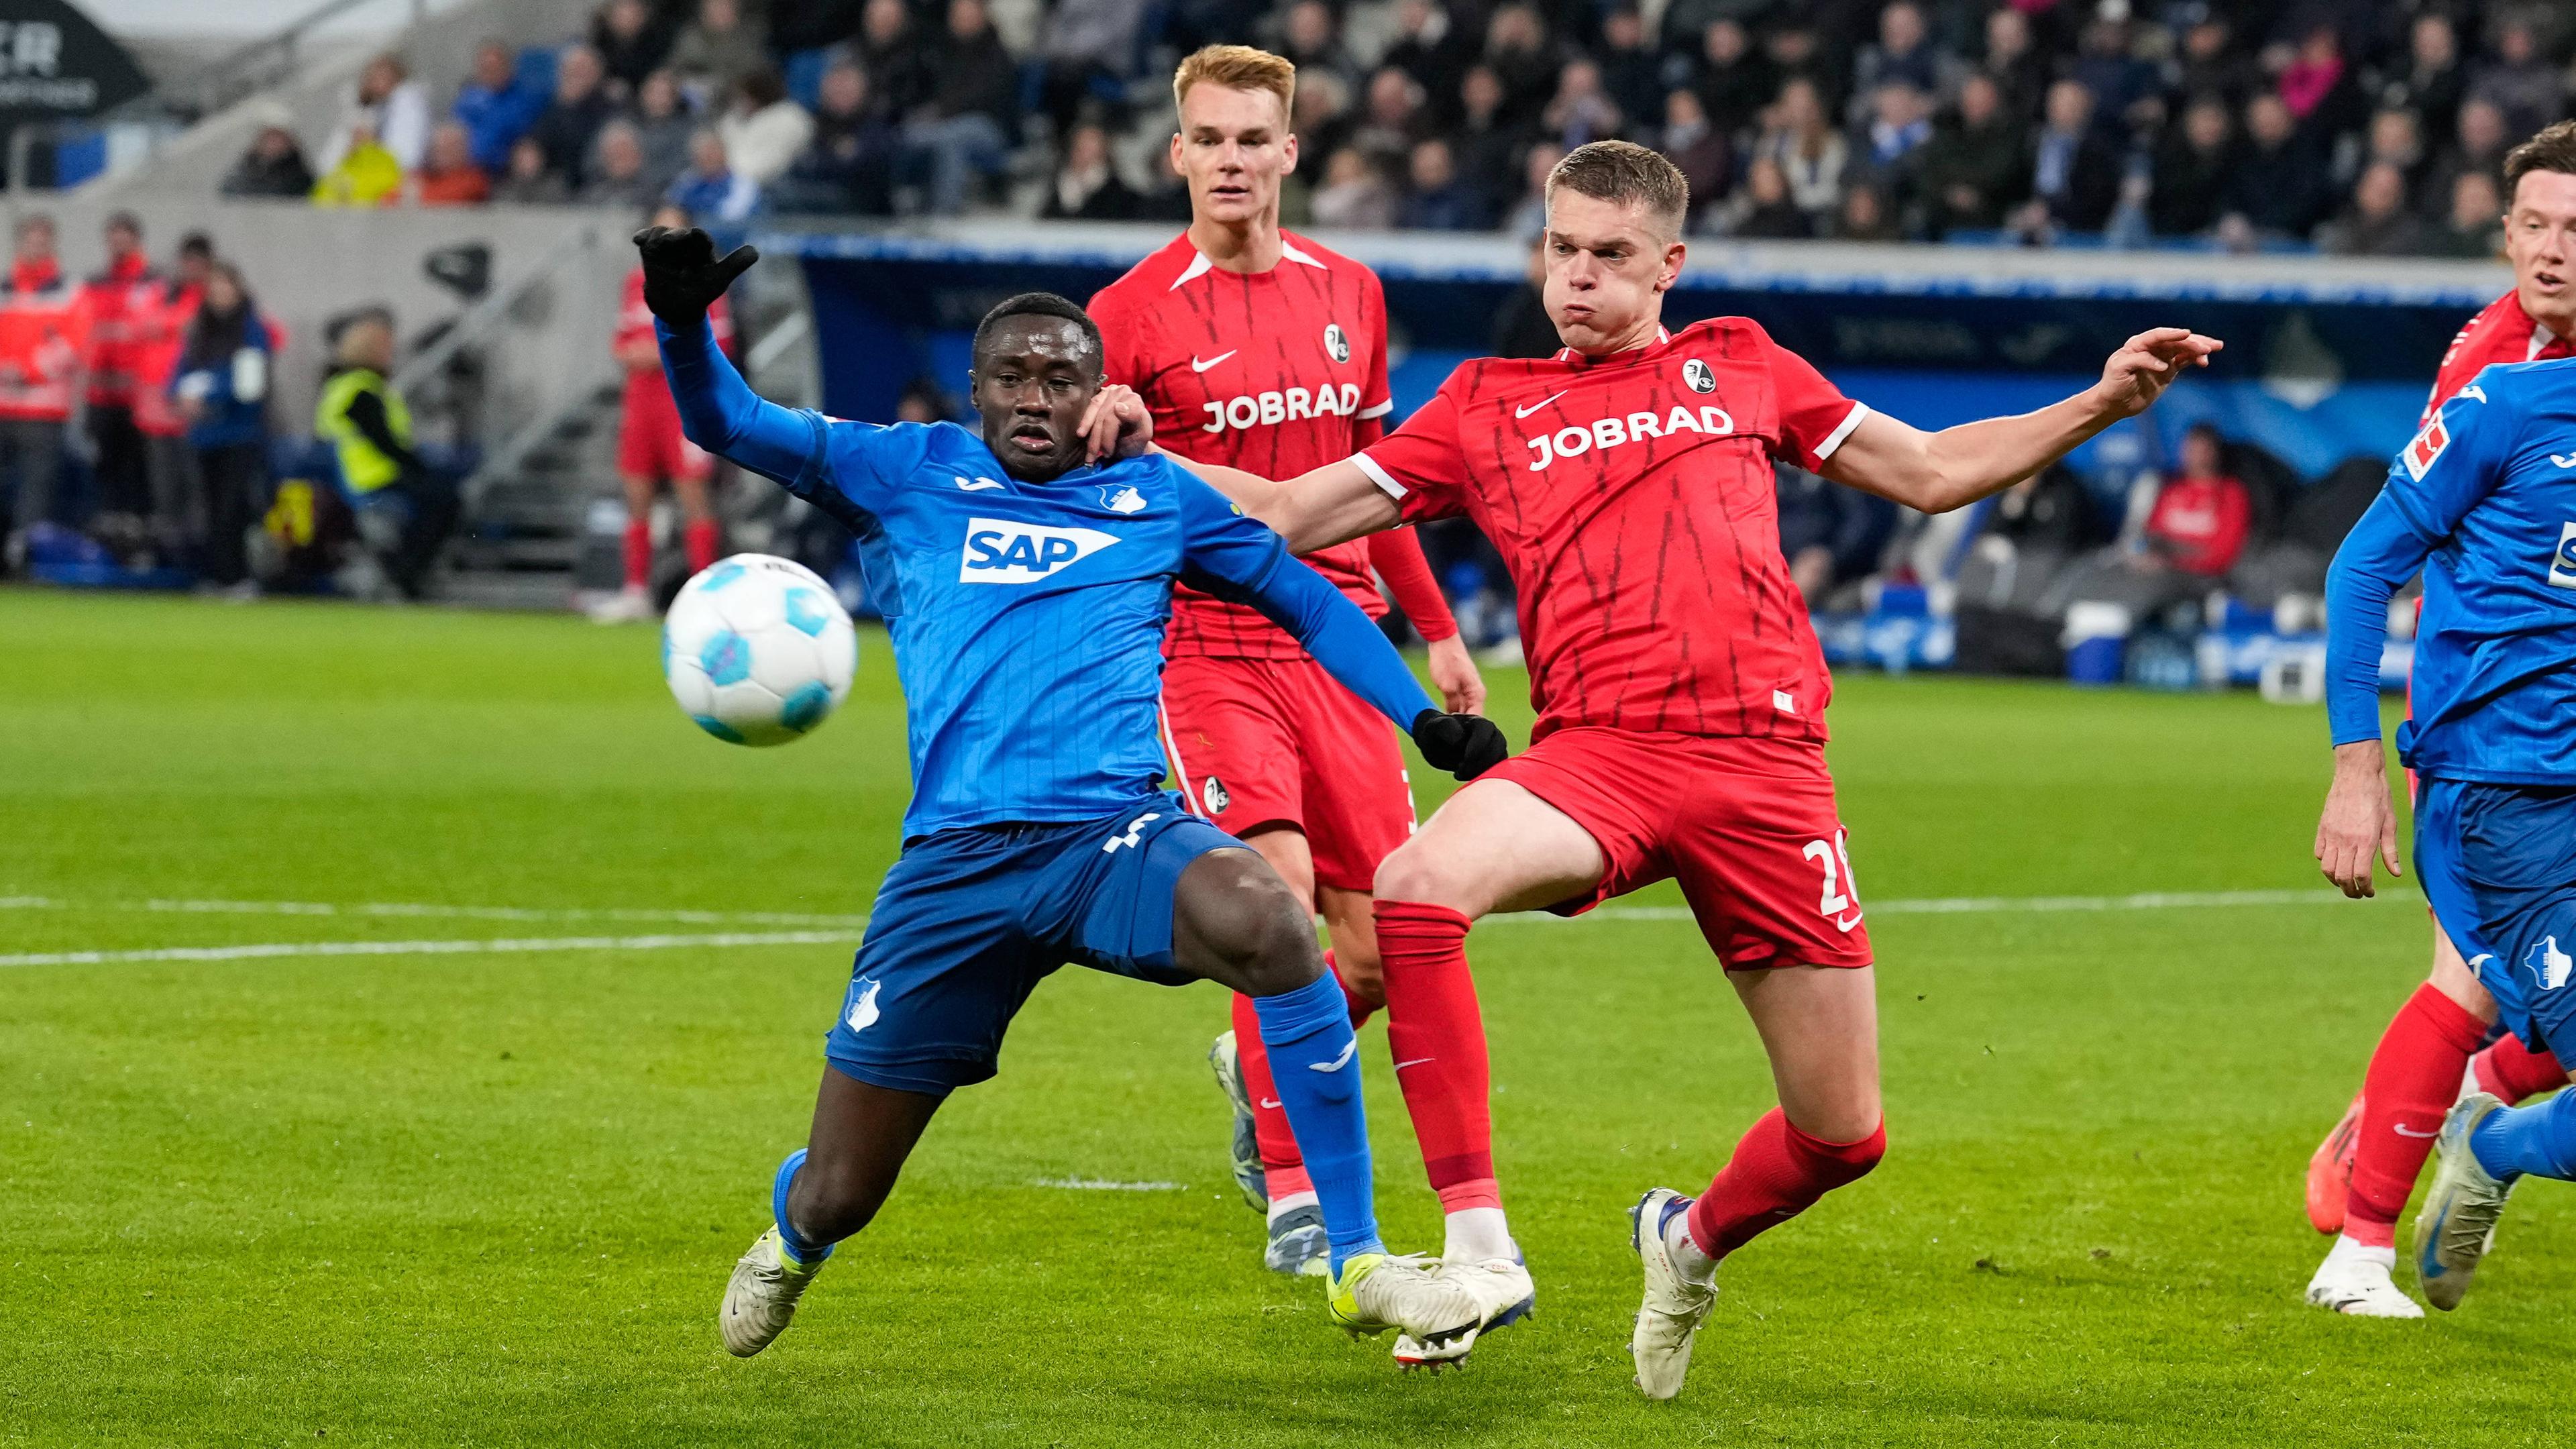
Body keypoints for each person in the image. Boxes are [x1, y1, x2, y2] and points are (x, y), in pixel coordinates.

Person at [1104, 140, 2217, 1394]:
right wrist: (1140, 458)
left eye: (1609, 257)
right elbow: (1284, 514)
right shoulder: (1482, 403)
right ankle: (1481, 1250)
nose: (1576, 279)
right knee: (1416, 889)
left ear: (1669, 265)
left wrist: (2103, 404)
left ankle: (1685, 1241)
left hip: (1768, 769)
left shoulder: (1740, 363)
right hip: (1602, 757)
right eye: (1560, 250)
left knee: (1841, 1136)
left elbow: (1929, 472)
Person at [633, 224, 1508, 1366]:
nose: (1036, 397)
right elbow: (728, 424)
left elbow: (1301, 595)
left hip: (1110, 837)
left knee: (1274, 926)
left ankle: (1354, 1262)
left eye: (1060, 377)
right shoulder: (904, 471)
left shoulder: (1154, 498)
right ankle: (795, 1239)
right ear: (979, 389)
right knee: (846, 1188)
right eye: (1014, 376)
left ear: (1100, 393)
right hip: (955, 869)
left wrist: (1419, 715)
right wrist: (681, 326)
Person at [1086, 45, 1485, 1287]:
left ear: (1290, 154)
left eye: (1254, 139)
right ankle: (1298, 1192)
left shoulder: (1353, 293)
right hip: (1209, 648)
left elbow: (1379, 483)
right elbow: (1113, 496)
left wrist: (1436, 630)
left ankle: (1253, 1061)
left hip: (1343, 640)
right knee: (1280, 905)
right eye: (1210, 139)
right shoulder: (1129, 312)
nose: (1232, 162)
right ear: (1179, 156)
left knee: (1367, 954)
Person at [2300, 121, 2576, 1318]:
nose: (2555, 253)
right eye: (2537, 227)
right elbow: (2375, 564)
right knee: (2464, 983)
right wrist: (2359, 767)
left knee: (2475, 997)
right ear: (2503, 233)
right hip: (2500, 760)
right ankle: (2374, 1227)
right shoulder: (2501, 380)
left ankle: (2441, 1137)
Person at [592, 202, 735, 623]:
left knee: (693, 495)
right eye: (659, 232)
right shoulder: (636, 283)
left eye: (672, 233)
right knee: (636, 495)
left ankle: (704, 593)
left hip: (683, 404)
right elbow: (620, 343)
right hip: (640, 404)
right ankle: (636, 590)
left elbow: (722, 348)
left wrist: (660, 354)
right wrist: (635, 354)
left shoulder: (704, 284)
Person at [315, 308, 456, 598]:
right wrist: (420, 468)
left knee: (437, 495)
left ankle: (401, 568)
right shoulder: (363, 390)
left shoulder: (345, 386)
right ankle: (405, 571)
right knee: (444, 500)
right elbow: (385, 442)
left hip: (360, 475)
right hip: (372, 476)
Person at [170, 262, 274, 592]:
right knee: (211, 508)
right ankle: (216, 573)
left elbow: (249, 385)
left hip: (239, 433)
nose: (219, 295)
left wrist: (207, 393)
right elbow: (178, 371)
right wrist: (180, 395)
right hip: (205, 435)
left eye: (225, 287)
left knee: (234, 506)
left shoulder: (251, 331)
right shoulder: (199, 330)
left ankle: (238, 575)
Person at [0, 213, 83, 571]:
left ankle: (24, 559)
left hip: (43, 410)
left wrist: (28, 372)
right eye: (30, 240)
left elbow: (73, 344)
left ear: (52, 244)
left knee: (36, 491)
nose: (36, 247)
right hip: (3, 404)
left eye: (42, 241)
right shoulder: (4, 288)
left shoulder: (69, 291)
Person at [78, 213, 164, 541]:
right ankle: (111, 531)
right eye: (112, 237)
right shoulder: (96, 283)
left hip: (137, 396)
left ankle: (140, 532)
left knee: (139, 468)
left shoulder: (153, 283)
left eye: (124, 236)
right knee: (105, 466)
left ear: (136, 239)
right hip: (101, 394)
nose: (118, 244)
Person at [318, 53, 429, 174]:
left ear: (396, 76)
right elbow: (327, 163)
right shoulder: (367, 110)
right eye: (372, 76)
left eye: (383, 75)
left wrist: (372, 145)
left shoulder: (408, 101)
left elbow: (406, 157)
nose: (376, 81)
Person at [454, 40, 546, 175]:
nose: (491, 73)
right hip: (470, 170)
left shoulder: (528, 98)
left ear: (509, 67)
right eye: (486, 69)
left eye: (495, 67)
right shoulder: (467, 102)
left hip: (508, 169)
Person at [221, 109, 318, 198]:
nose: (275, 143)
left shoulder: (302, 176)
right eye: (270, 137)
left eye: (279, 137)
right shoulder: (239, 178)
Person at [413, 120, 492, 205]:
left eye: (450, 148)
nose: (443, 155)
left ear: (463, 150)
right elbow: (398, 195)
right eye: (439, 149)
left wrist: (415, 195)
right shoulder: (423, 176)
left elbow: (441, 200)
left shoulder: (474, 180)